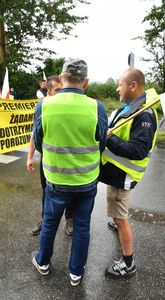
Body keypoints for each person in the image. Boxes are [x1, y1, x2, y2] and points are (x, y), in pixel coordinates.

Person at [31, 59, 107, 286]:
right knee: (82, 226)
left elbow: (38, 140)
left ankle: (43, 263)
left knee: (50, 222)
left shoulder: (44, 106)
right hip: (86, 181)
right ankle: (76, 272)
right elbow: (101, 142)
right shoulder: (97, 107)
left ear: (61, 79)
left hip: (55, 180)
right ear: (86, 82)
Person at [99, 68, 158, 279]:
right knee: (117, 216)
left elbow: (138, 150)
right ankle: (117, 223)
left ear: (133, 85)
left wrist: (108, 139)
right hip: (115, 173)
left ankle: (128, 263)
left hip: (124, 176)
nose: (117, 88)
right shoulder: (129, 109)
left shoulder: (145, 115)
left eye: (120, 84)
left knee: (121, 218)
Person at [27, 75, 74, 236]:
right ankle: (44, 219)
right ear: (49, 92)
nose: (63, 94)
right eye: (58, 90)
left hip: (69, 159)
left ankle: (70, 219)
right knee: (46, 190)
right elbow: (35, 134)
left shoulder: (70, 107)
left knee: (69, 190)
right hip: (47, 159)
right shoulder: (42, 107)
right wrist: (29, 157)